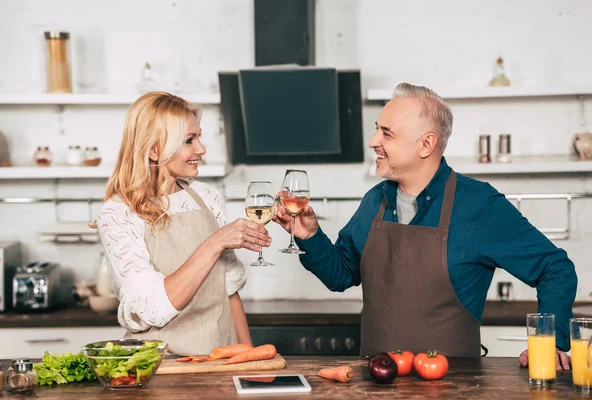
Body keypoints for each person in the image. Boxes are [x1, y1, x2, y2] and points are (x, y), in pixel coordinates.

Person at [273, 83, 577, 368]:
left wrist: (550, 342)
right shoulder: (374, 201)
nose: (373, 142)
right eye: (377, 129)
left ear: (426, 144)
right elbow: (340, 274)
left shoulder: (479, 204)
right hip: (376, 384)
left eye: (387, 134)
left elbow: (555, 268)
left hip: (454, 388)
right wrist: (309, 235)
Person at [96, 92, 271, 356]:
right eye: (189, 140)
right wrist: (215, 242)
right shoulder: (118, 213)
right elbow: (152, 308)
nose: (201, 149)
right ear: (154, 149)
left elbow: (229, 289)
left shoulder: (207, 197)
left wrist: (251, 357)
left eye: (199, 137)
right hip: (160, 369)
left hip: (221, 362)